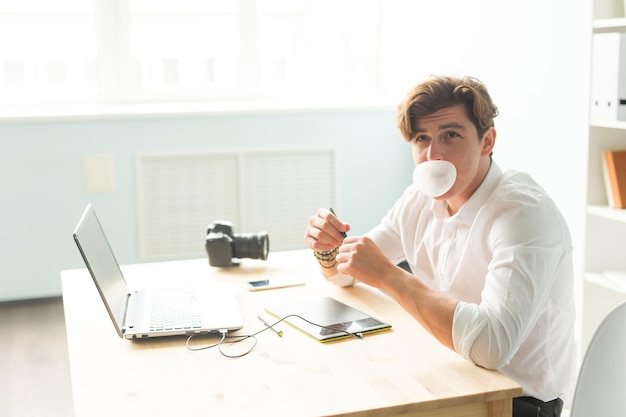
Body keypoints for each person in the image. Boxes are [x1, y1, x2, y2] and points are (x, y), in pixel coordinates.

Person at [304, 75, 574, 417]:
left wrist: (389, 276)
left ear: (487, 141)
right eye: (422, 138)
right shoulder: (419, 199)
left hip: (514, 404)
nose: (434, 155)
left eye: (451, 135)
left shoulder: (522, 213)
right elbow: (350, 271)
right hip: (450, 379)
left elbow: (491, 347)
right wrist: (328, 248)